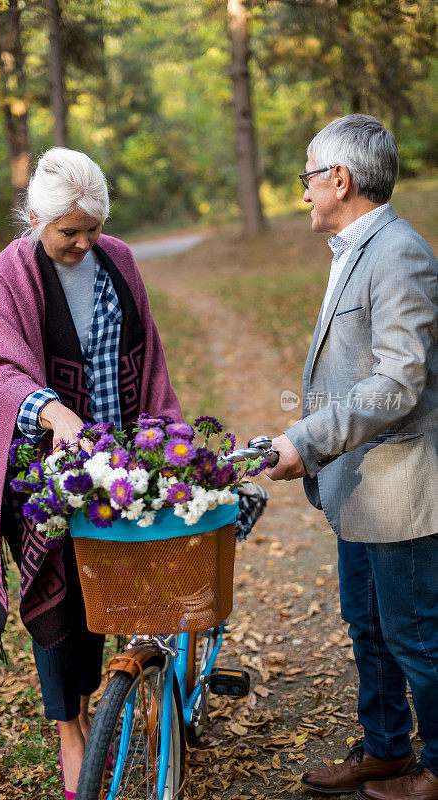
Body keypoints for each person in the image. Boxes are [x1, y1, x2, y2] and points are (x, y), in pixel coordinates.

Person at [0, 147, 183, 799]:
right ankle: (71, 727)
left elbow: (149, 355)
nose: (85, 243)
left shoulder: (120, 261)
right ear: (34, 218)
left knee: (135, 577)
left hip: (120, 458)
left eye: (92, 229)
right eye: (69, 233)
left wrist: (158, 439)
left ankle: (135, 691)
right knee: (59, 587)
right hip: (46, 464)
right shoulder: (5, 275)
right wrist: (57, 417)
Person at [263, 115, 438, 800]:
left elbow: (398, 381)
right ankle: (387, 749)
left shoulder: (397, 252)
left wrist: (303, 441)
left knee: (416, 640)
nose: (303, 191)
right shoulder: (352, 249)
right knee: (367, 629)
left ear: (338, 179)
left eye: (308, 176)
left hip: (397, 488)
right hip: (354, 487)